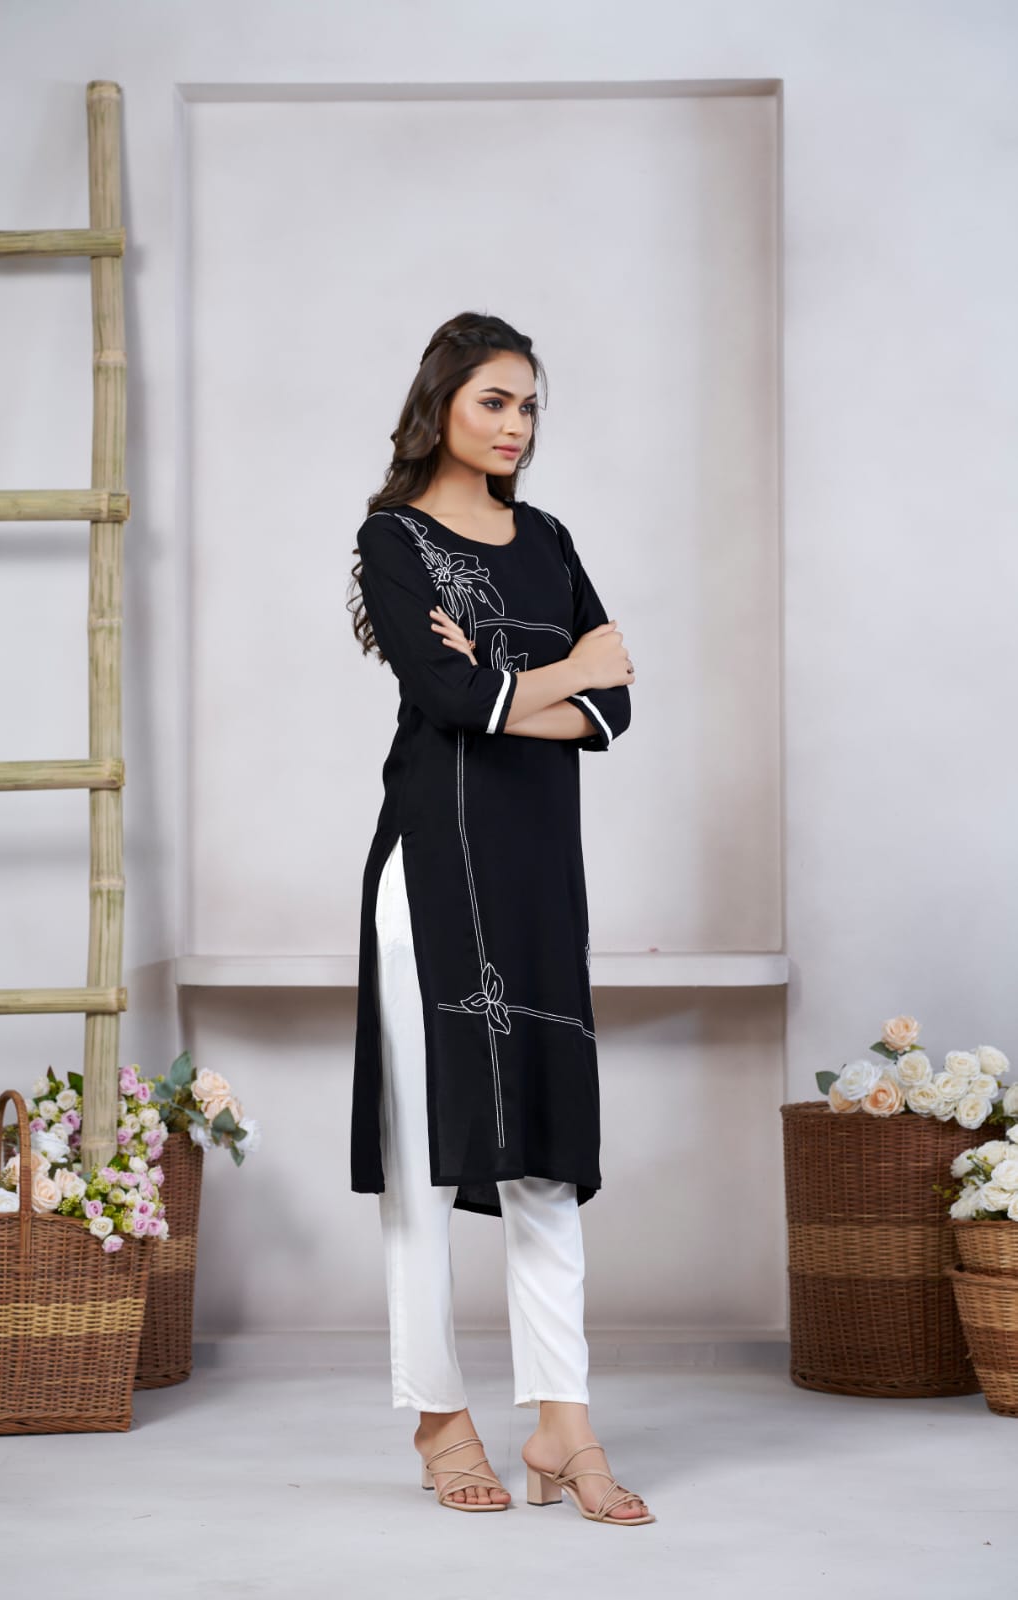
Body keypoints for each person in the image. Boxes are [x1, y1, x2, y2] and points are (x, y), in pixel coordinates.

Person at [347, 311, 653, 1526]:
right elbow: (445, 696)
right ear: (440, 406)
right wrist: (560, 673)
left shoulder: (549, 540)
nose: (516, 425)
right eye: (493, 401)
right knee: (426, 1153)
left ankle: (561, 1424)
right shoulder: (395, 538)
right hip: (432, 872)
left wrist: (507, 685)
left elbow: (615, 710)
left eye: (528, 406)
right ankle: (438, 1415)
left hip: (534, 876)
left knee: (544, 1151)